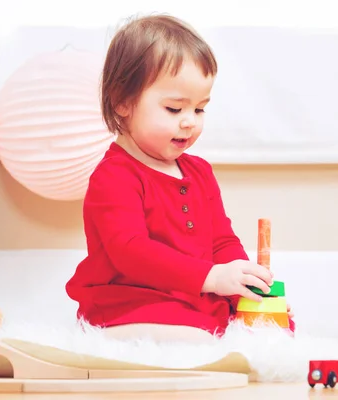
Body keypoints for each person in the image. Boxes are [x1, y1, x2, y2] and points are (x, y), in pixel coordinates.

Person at [65, 14, 295, 343]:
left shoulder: (200, 172)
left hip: (193, 297)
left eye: (200, 109)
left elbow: (221, 242)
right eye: (174, 109)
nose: (190, 122)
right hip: (128, 303)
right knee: (193, 339)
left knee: (271, 327)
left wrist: (241, 284)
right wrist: (213, 277)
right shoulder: (114, 176)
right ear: (122, 102)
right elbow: (130, 251)